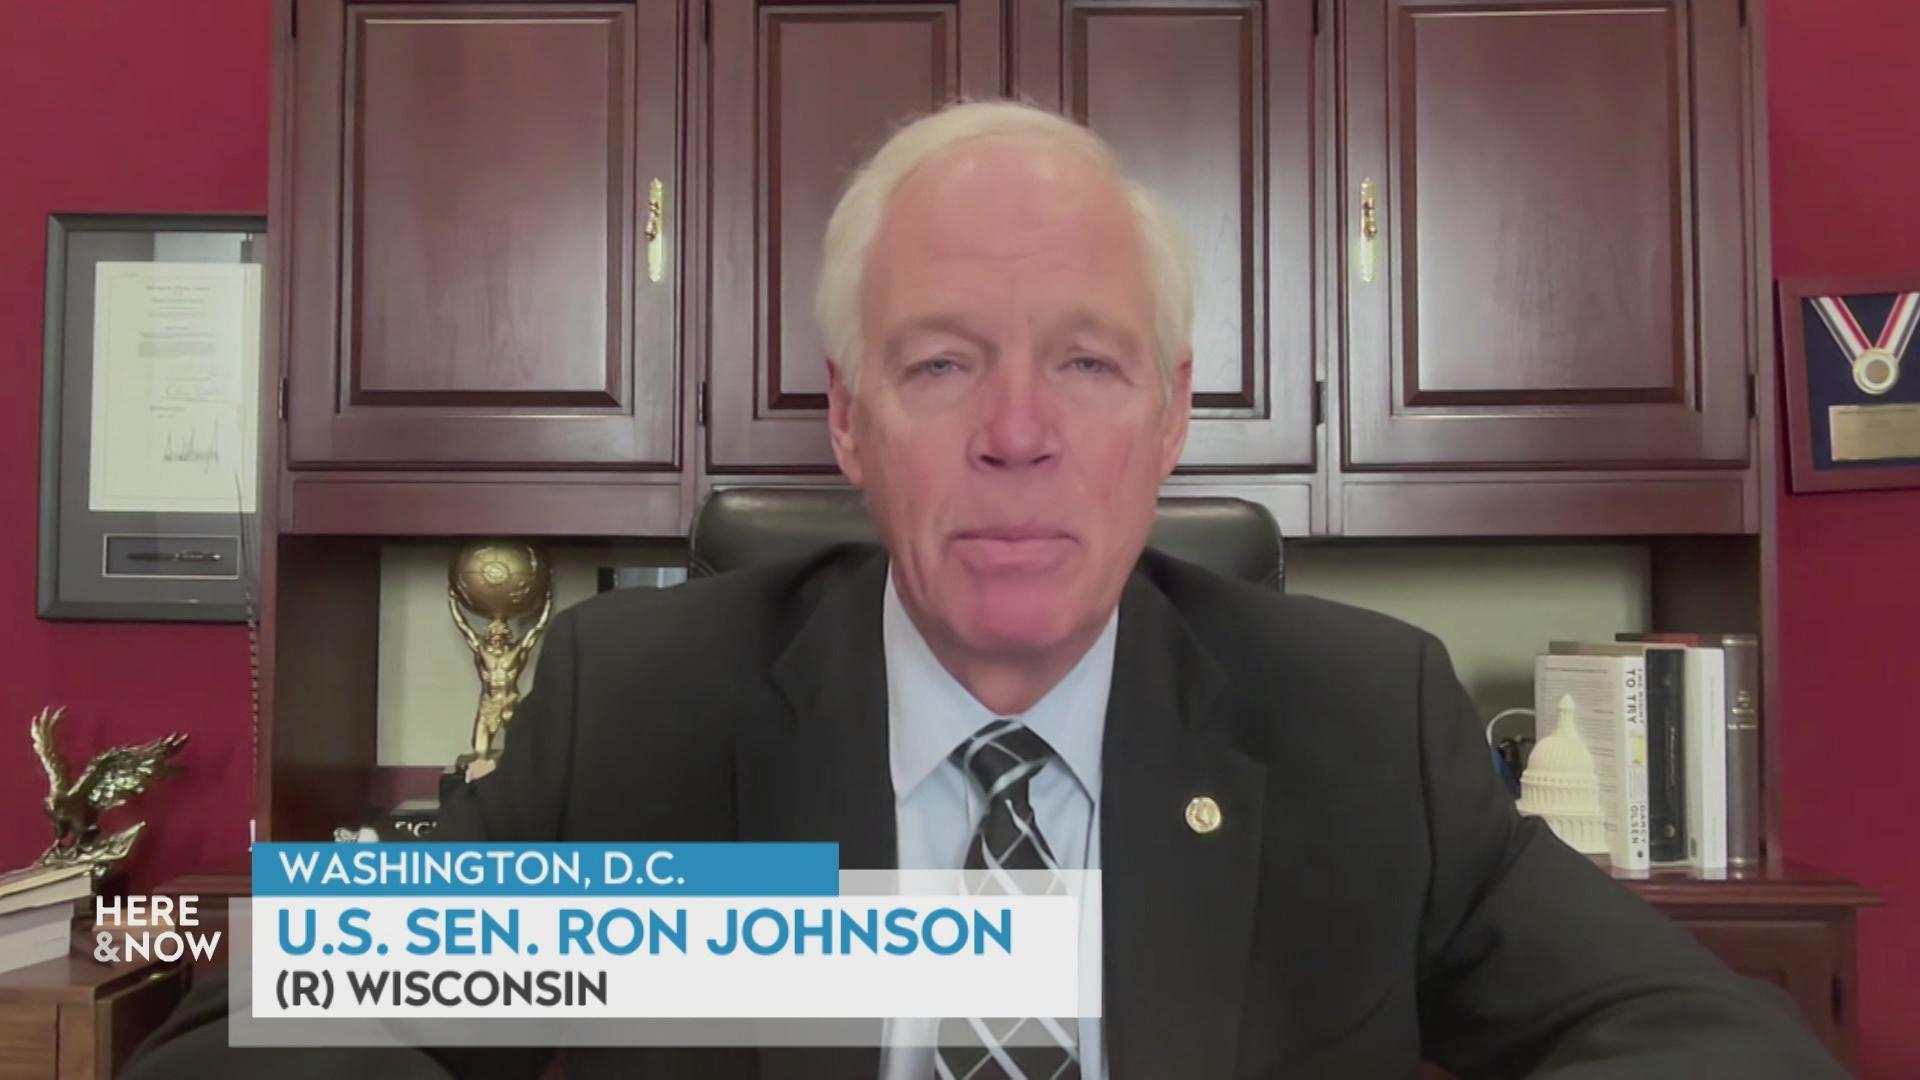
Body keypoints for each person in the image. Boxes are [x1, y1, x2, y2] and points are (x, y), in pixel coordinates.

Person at [127, 100, 1846, 1080]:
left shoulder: (1353, 728)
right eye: (944, 365)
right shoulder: (641, 713)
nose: (1019, 436)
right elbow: (265, 1025)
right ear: (853, 422)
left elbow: (1717, 1047)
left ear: (1173, 420)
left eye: (1089, 367)